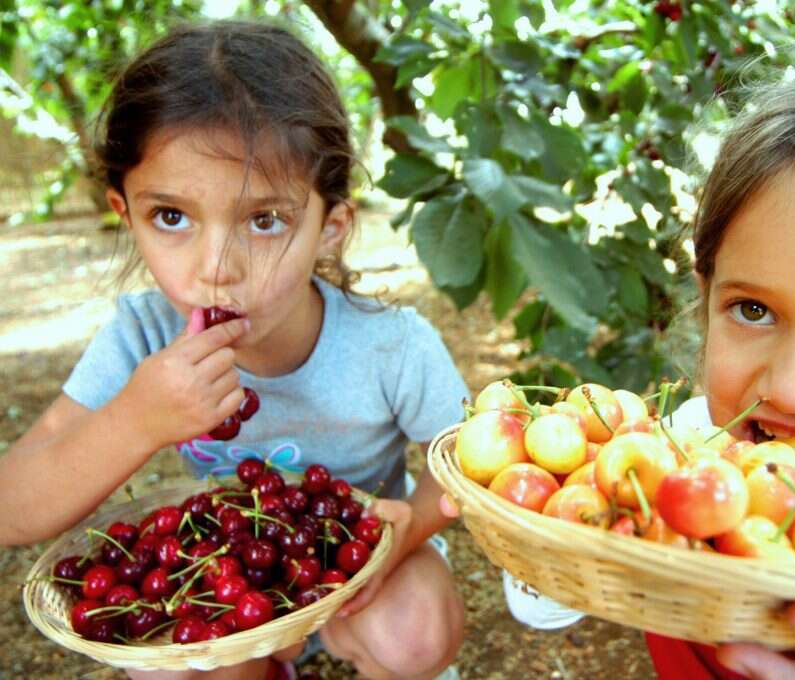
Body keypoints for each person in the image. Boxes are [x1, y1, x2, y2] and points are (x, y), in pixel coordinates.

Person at [450, 57, 795, 679]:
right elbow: (544, 610)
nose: (794, 389)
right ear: (706, 297)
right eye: (753, 309)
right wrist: (538, 517)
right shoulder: (682, 453)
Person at [0, 20, 468, 680]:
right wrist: (134, 421)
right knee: (166, 665)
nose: (217, 268)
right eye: (171, 217)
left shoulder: (392, 347)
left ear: (329, 229)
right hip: (230, 589)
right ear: (125, 212)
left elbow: (470, 471)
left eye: (265, 219)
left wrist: (400, 539)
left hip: (363, 578)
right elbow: (11, 507)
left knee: (416, 631)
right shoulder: (141, 337)